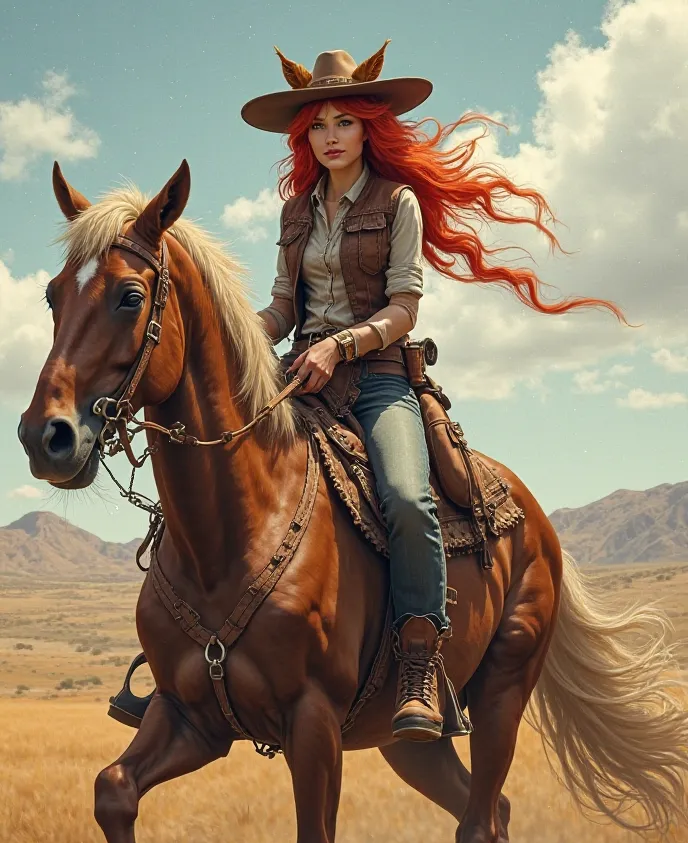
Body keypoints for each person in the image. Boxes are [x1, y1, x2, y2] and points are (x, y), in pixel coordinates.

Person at [241, 41, 624, 742]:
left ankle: (419, 664)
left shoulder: (397, 203)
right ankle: (188, 650)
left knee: (408, 499)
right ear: (306, 136)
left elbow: (403, 310)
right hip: (301, 378)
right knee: (221, 466)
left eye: (344, 122)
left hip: (380, 379)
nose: (330, 136)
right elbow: (282, 308)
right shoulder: (296, 212)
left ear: (368, 127)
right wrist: (242, 335)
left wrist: (341, 344)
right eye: (318, 125)